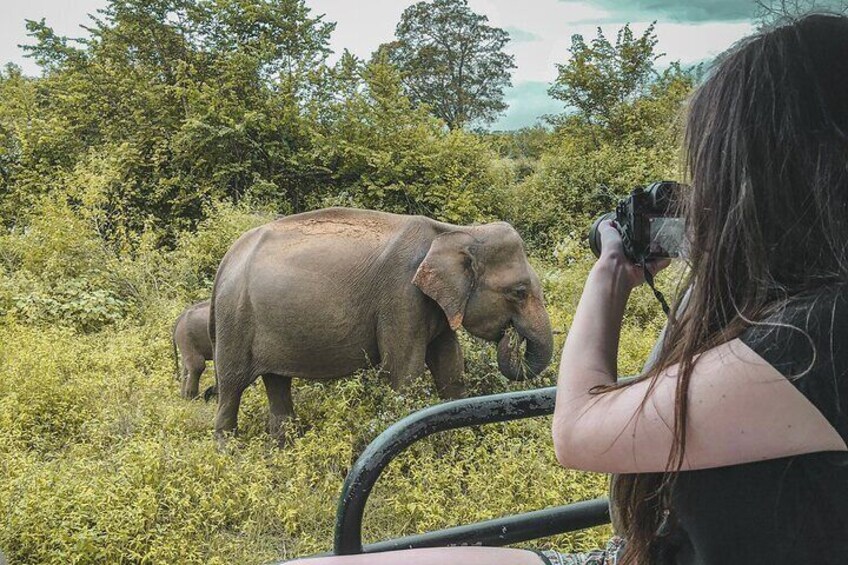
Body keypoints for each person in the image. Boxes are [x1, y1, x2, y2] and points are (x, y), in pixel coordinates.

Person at [289, 12, 848, 565]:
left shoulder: (820, 336)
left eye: (714, 178)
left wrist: (609, 271)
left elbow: (578, 429)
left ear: (772, 187)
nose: (703, 199)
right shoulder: (800, 314)